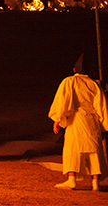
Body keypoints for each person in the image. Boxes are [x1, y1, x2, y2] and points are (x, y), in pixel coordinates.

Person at [48, 54, 108, 191]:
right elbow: (102, 107)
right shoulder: (94, 84)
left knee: (73, 148)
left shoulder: (69, 82)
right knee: (94, 150)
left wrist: (58, 118)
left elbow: (64, 101)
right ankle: (95, 182)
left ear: (74, 70)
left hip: (76, 120)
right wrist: (103, 127)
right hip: (92, 120)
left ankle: (72, 180)